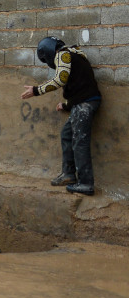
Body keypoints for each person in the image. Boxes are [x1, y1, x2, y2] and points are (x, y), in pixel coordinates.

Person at [21, 36, 102, 196]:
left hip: (85, 103)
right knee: (67, 134)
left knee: (80, 142)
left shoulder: (63, 55)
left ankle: (85, 184)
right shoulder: (74, 54)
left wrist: (36, 90)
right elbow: (79, 85)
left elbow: (60, 79)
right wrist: (65, 105)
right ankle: (69, 174)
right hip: (84, 102)